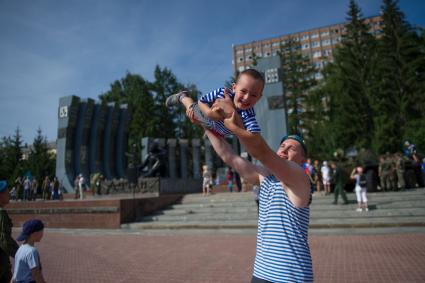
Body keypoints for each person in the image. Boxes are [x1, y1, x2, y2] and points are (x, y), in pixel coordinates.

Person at [204, 109, 313, 282]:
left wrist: (236, 125)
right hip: (262, 272)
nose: (284, 150)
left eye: (291, 148)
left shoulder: (300, 178)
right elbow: (229, 155)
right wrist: (205, 123)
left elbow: (261, 152)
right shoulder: (266, 178)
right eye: (282, 146)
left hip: (290, 276)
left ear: (302, 160)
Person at [165, 68, 264, 137]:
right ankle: (182, 97)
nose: (247, 98)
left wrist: (235, 128)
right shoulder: (222, 93)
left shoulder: (249, 115)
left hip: (220, 132)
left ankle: (205, 127)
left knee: (225, 153)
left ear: (259, 98)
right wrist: (209, 113)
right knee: (192, 109)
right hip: (207, 116)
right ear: (234, 88)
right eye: (243, 91)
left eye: (253, 95)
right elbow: (202, 101)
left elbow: (253, 135)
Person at [12, 219, 46, 283]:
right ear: (34, 234)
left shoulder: (21, 248)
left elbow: (15, 272)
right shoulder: (32, 251)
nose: (43, 234)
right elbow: (36, 274)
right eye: (42, 231)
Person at [0, 180, 19, 283]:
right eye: (6, 191)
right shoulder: (1, 214)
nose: (9, 193)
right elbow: (4, 241)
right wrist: (20, 254)